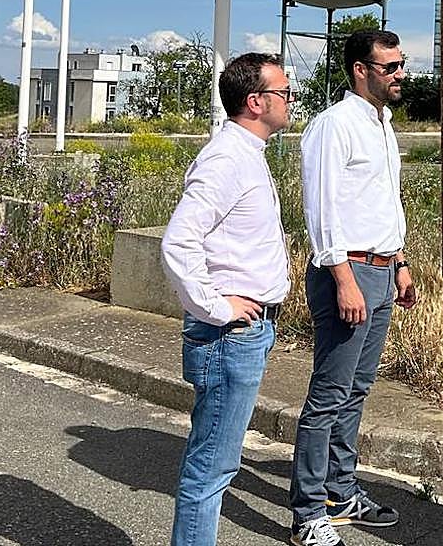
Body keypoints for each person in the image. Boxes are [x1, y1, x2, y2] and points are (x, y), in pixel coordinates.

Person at [288, 29, 418, 546]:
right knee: (329, 393)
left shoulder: (383, 125)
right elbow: (321, 211)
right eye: (390, 67)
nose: (400, 75)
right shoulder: (333, 126)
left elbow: (383, 202)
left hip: (382, 270)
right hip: (348, 272)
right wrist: (344, 279)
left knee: (357, 389)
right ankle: (307, 512)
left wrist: (401, 263)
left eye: (401, 65)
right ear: (360, 70)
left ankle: (341, 491)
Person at [161, 52, 293, 546]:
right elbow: (178, 241)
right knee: (212, 467)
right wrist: (219, 307)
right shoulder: (226, 159)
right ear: (256, 102)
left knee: (217, 461)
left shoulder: (246, 154)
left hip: (246, 331)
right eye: (283, 92)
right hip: (229, 335)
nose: (290, 100)